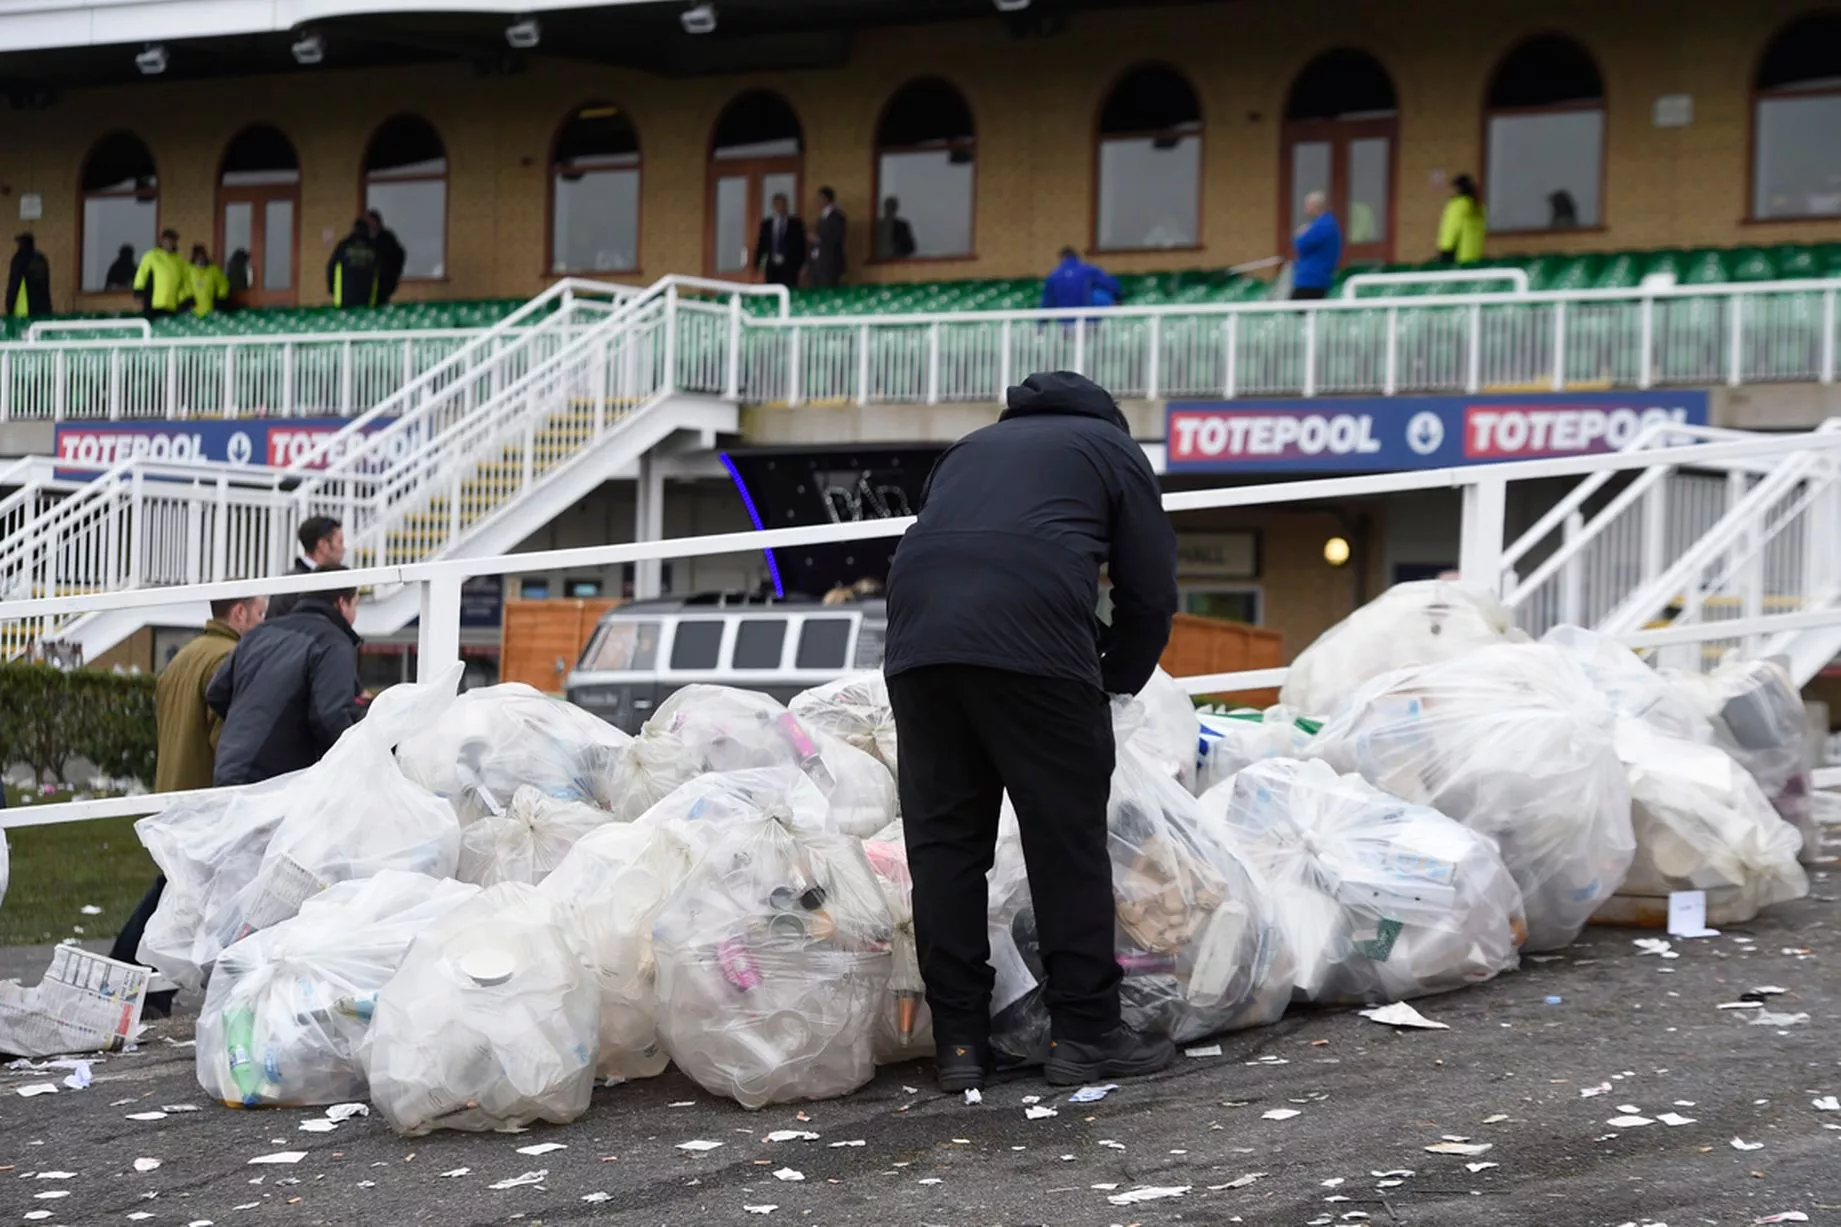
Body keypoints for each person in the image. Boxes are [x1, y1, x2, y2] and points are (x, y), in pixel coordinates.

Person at [881, 369, 1179, 1092]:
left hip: (919, 643)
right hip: (1036, 645)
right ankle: (1083, 1031)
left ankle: (958, 1043)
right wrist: (1114, 677)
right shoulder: (1111, 449)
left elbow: (961, 548)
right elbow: (1150, 590)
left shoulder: (969, 448)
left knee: (945, 843)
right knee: (1063, 839)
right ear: (1108, 416)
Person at [109, 594, 269, 1012]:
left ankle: (139, 983)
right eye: (260, 613)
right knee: (178, 898)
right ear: (239, 613)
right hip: (206, 797)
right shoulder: (229, 659)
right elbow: (229, 741)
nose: (264, 622)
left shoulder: (184, 657)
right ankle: (135, 979)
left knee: (175, 894)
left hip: (174, 789)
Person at [207, 567, 365, 787]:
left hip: (228, 772)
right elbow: (331, 718)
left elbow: (216, 693)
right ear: (342, 603)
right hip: (274, 785)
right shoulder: (334, 642)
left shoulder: (259, 633)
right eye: (355, 604)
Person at [269, 516, 345, 620]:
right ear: (323, 545)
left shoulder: (287, 582)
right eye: (340, 542)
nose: (343, 549)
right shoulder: (296, 585)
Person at [1291, 190, 1343, 301]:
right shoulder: (1327, 223)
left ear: (1315, 206)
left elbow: (1301, 244)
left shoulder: (1323, 225)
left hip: (1311, 280)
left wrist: (1300, 234)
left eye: (1307, 205)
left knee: (1296, 312)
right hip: (1317, 278)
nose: (1305, 209)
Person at [1041, 247, 1119, 311]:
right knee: (1099, 295)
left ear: (1062, 258)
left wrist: (1040, 325)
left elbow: (1047, 302)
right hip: (1088, 322)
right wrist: (1118, 299)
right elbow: (1112, 285)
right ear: (1076, 258)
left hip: (1066, 324)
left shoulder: (1054, 275)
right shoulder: (1089, 270)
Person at [753, 192, 806, 288]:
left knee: (789, 290)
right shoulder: (767, 224)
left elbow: (801, 246)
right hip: (772, 265)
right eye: (777, 204)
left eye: (782, 204)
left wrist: (802, 265)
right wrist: (758, 265)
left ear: (786, 205)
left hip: (790, 266)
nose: (780, 206)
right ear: (773, 206)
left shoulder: (795, 224)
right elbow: (762, 245)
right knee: (772, 290)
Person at [133, 229, 188, 318]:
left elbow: (182, 283)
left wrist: (184, 300)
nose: (170, 243)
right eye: (168, 240)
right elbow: (141, 275)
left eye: (173, 240)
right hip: (153, 304)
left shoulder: (179, 261)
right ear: (162, 241)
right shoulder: (151, 256)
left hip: (172, 306)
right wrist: (138, 292)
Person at [327, 219, 380, 309]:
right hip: (367, 298)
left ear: (353, 229)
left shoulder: (344, 245)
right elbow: (381, 272)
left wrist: (332, 289)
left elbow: (331, 267)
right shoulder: (374, 248)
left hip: (345, 297)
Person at [1437, 174, 1486, 265]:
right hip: (1475, 255)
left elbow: (1451, 228)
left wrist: (1445, 250)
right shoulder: (1479, 207)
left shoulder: (1457, 205)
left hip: (1458, 256)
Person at [808, 186, 847, 287]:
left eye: (820, 198)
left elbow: (838, 238)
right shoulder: (822, 216)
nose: (818, 201)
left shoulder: (836, 216)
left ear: (826, 199)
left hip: (830, 263)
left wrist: (818, 240)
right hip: (818, 263)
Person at [367, 210, 407, 306]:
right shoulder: (364, 239)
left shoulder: (387, 238)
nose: (370, 225)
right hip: (367, 283)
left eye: (372, 222)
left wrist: (394, 274)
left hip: (385, 282)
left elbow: (399, 255)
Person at [7, 233, 51, 318]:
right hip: (43, 306)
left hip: (23, 308)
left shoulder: (19, 258)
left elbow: (14, 283)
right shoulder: (41, 258)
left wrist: (9, 305)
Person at [185, 244, 231, 318]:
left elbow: (223, 284)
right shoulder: (189, 270)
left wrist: (221, 297)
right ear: (194, 256)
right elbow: (185, 284)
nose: (200, 258)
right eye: (198, 256)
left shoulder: (213, 270)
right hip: (193, 310)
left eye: (202, 255)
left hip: (211, 309)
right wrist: (189, 296)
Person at [876, 196, 917, 260]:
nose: (889, 210)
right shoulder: (877, 226)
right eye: (888, 207)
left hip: (895, 261)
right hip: (880, 261)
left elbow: (910, 247)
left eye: (891, 207)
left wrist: (898, 249)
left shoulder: (902, 226)